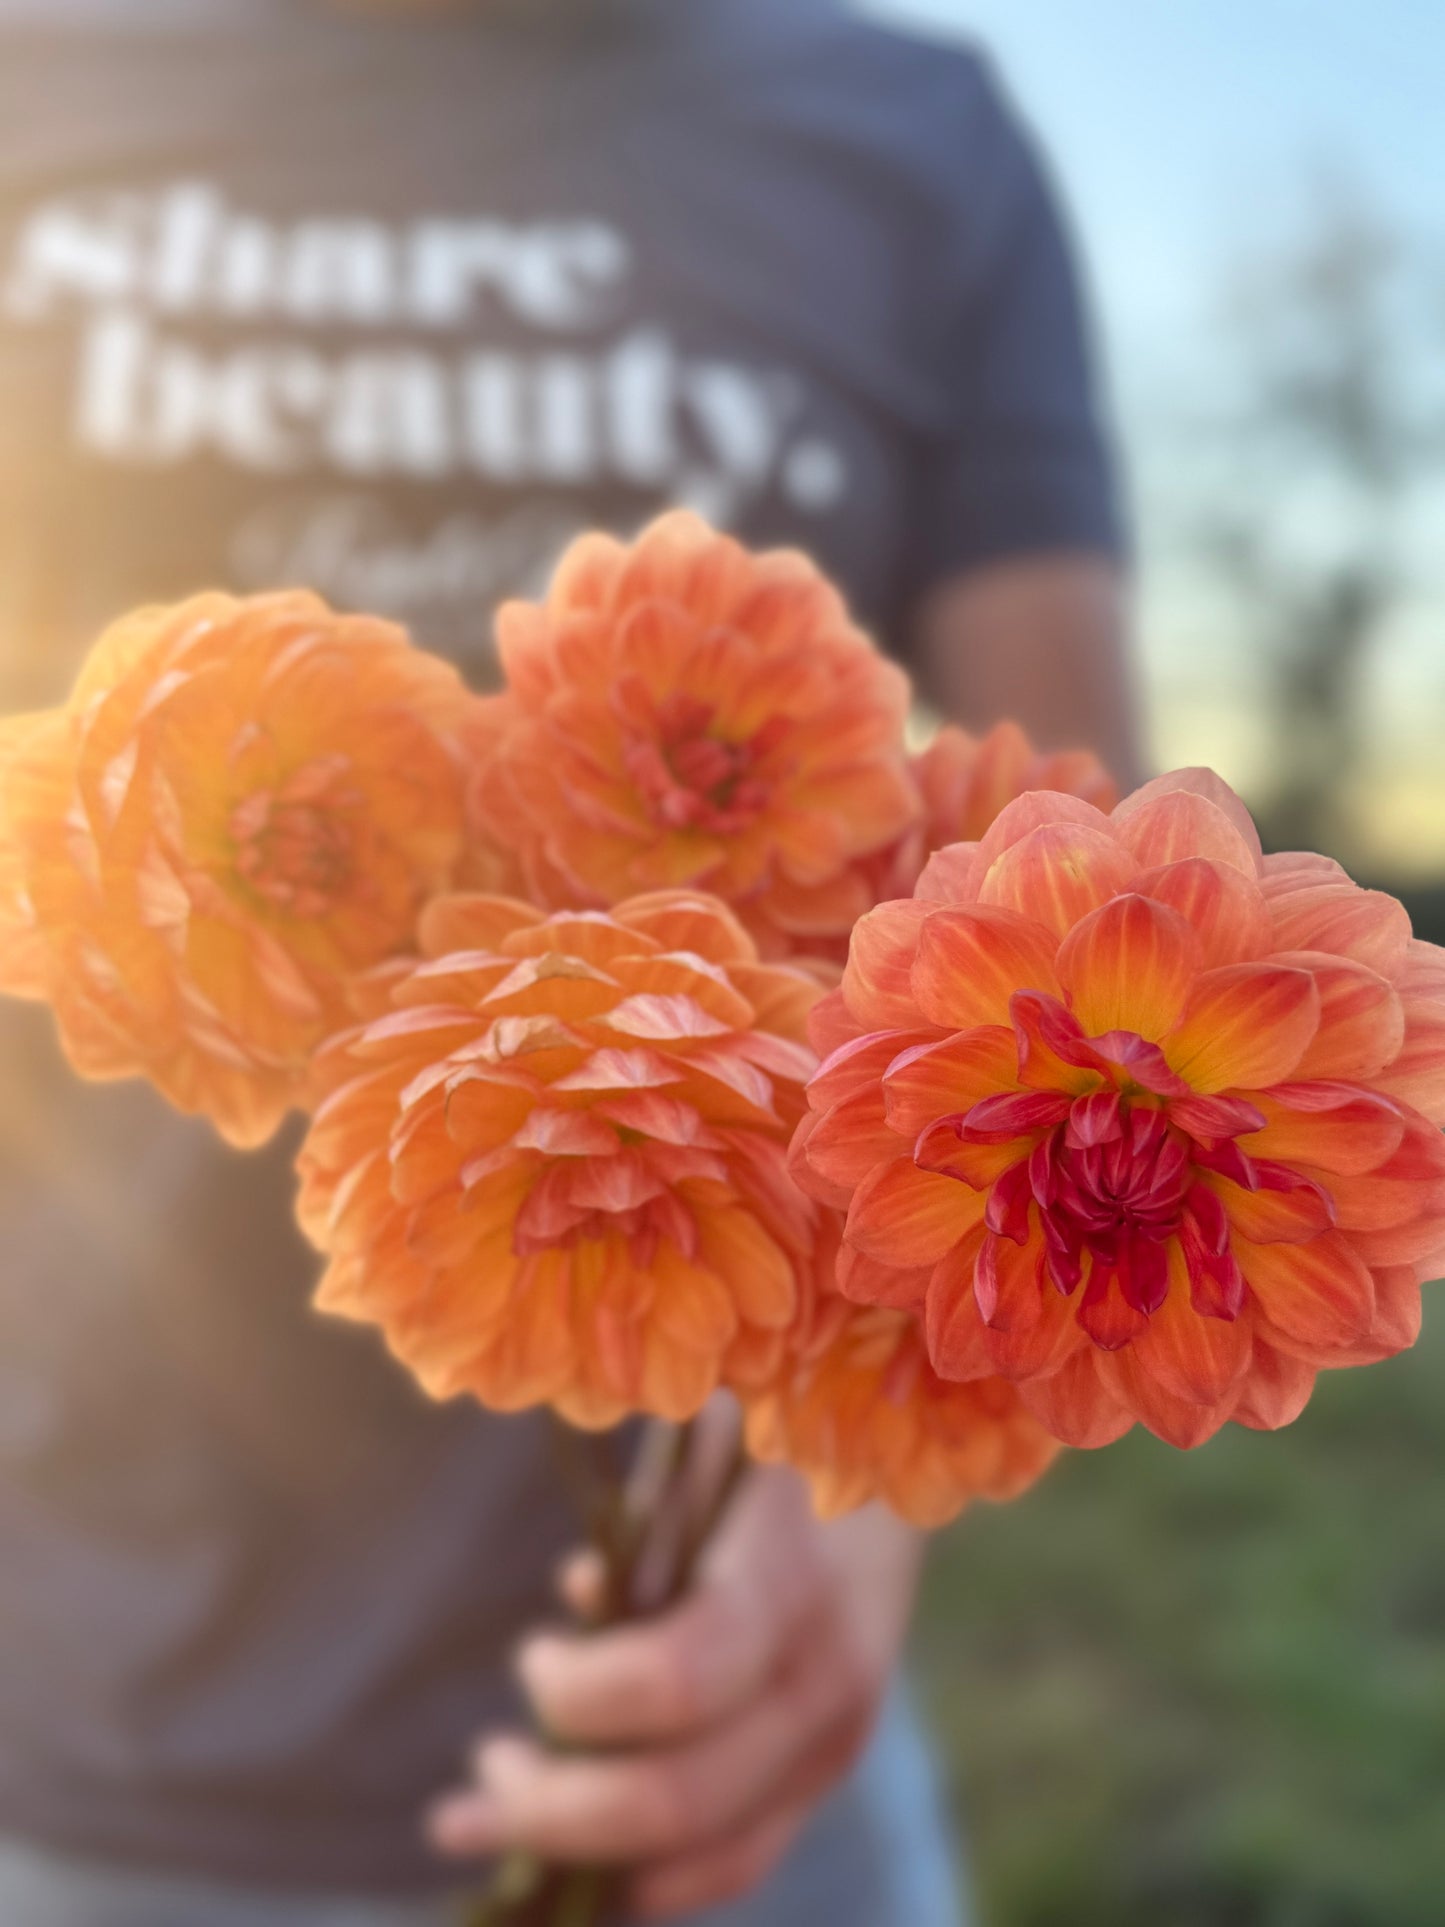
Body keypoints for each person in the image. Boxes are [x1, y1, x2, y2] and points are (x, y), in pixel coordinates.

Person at [0, 1, 1139, 1921]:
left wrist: (845, 1476)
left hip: (716, 1706)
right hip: (76, 1694)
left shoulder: (909, 136)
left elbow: (1093, 877)